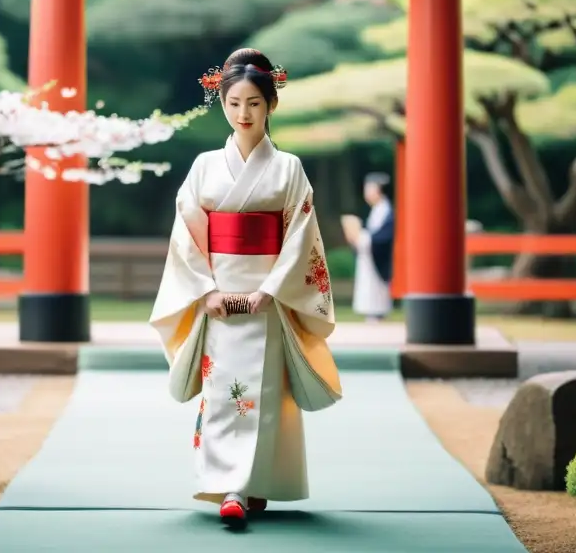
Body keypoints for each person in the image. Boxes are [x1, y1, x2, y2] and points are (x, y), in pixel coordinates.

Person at [149, 48, 343, 530]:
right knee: (223, 392)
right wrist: (206, 290)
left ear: (270, 105)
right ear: (223, 103)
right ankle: (230, 487)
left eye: (253, 103)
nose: (243, 113)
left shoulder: (288, 168)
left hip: (269, 298)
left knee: (265, 394)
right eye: (234, 103)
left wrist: (273, 288)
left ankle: (254, 483)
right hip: (219, 296)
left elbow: (302, 234)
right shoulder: (204, 165)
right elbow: (186, 231)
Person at [342, 173, 394, 322]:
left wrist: (363, 237)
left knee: (376, 291)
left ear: (379, 190)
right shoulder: (378, 209)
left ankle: (377, 314)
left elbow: (384, 236)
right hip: (369, 257)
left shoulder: (386, 210)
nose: (367, 193)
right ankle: (373, 314)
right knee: (369, 289)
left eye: (369, 189)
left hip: (377, 258)